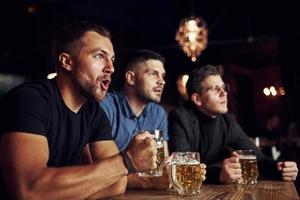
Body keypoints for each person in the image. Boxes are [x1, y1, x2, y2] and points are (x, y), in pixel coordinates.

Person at [0, 21, 158, 199]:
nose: (111, 68)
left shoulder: (93, 112)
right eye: (99, 56)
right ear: (67, 62)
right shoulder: (29, 100)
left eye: (112, 59)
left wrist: (57, 191)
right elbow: (29, 189)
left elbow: (118, 183)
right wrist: (127, 161)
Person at [168, 65, 298, 184]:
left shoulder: (227, 121)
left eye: (224, 88)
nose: (224, 93)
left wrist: (280, 168)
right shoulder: (179, 117)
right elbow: (182, 167)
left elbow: (258, 158)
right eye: (215, 89)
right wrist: (219, 174)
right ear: (197, 99)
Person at [100, 50, 195, 189]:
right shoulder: (105, 106)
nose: (162, 81)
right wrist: (143, 181)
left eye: (163, 76)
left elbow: (162, 165)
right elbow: (97, 172)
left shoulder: (158, 113)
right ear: (131, 78)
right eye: (153, 74)